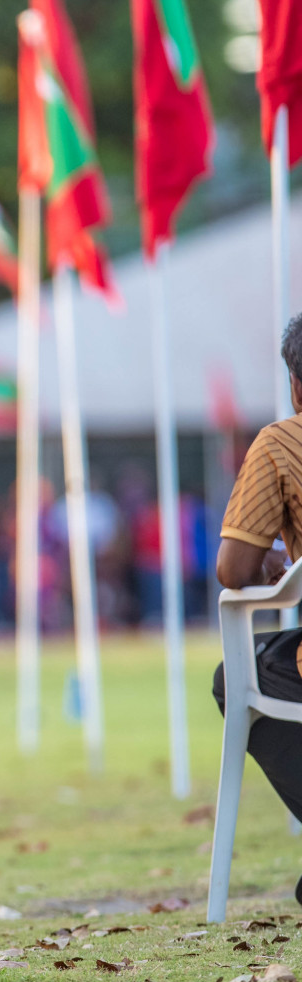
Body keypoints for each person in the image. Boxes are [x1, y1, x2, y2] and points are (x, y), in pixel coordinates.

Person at [213, 313, 302, 904]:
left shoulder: (281, 442)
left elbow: (234, 570)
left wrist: (275, 561)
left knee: (237, 677)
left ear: (297, 385)